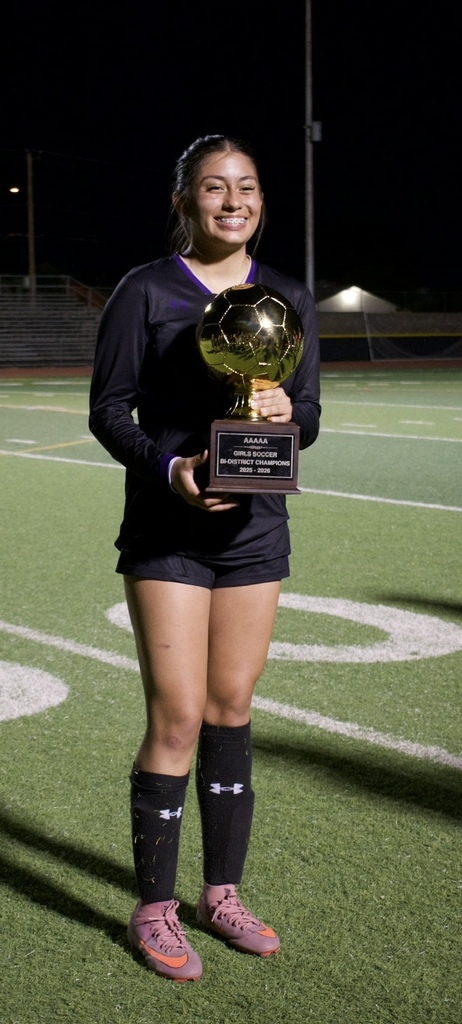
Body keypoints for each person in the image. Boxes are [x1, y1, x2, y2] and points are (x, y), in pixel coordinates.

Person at [89, 134, 321, 982]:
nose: (234, 201)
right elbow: (110, 409)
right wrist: (172, 468)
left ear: (261, 200)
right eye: (215, 188)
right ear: (186, 199)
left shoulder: (288, 296)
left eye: (248, 187)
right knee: (179, 716)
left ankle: (220, 893)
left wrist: (278, 415)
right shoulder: (145, 290)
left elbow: (312, 420)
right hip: (168, 531)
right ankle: (154, 907)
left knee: (232, 708)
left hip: (255, 532)